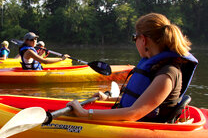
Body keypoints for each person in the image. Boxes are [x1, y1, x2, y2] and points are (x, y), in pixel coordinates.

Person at [67, 13, 198, 122]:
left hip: (146, 131)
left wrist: (85, 113)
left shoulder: (167, 74)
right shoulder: (156, 67)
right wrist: (108, 98)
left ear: (144, 40)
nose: (135, 41)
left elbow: (133, 113)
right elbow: (142, 99)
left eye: (134, 37)